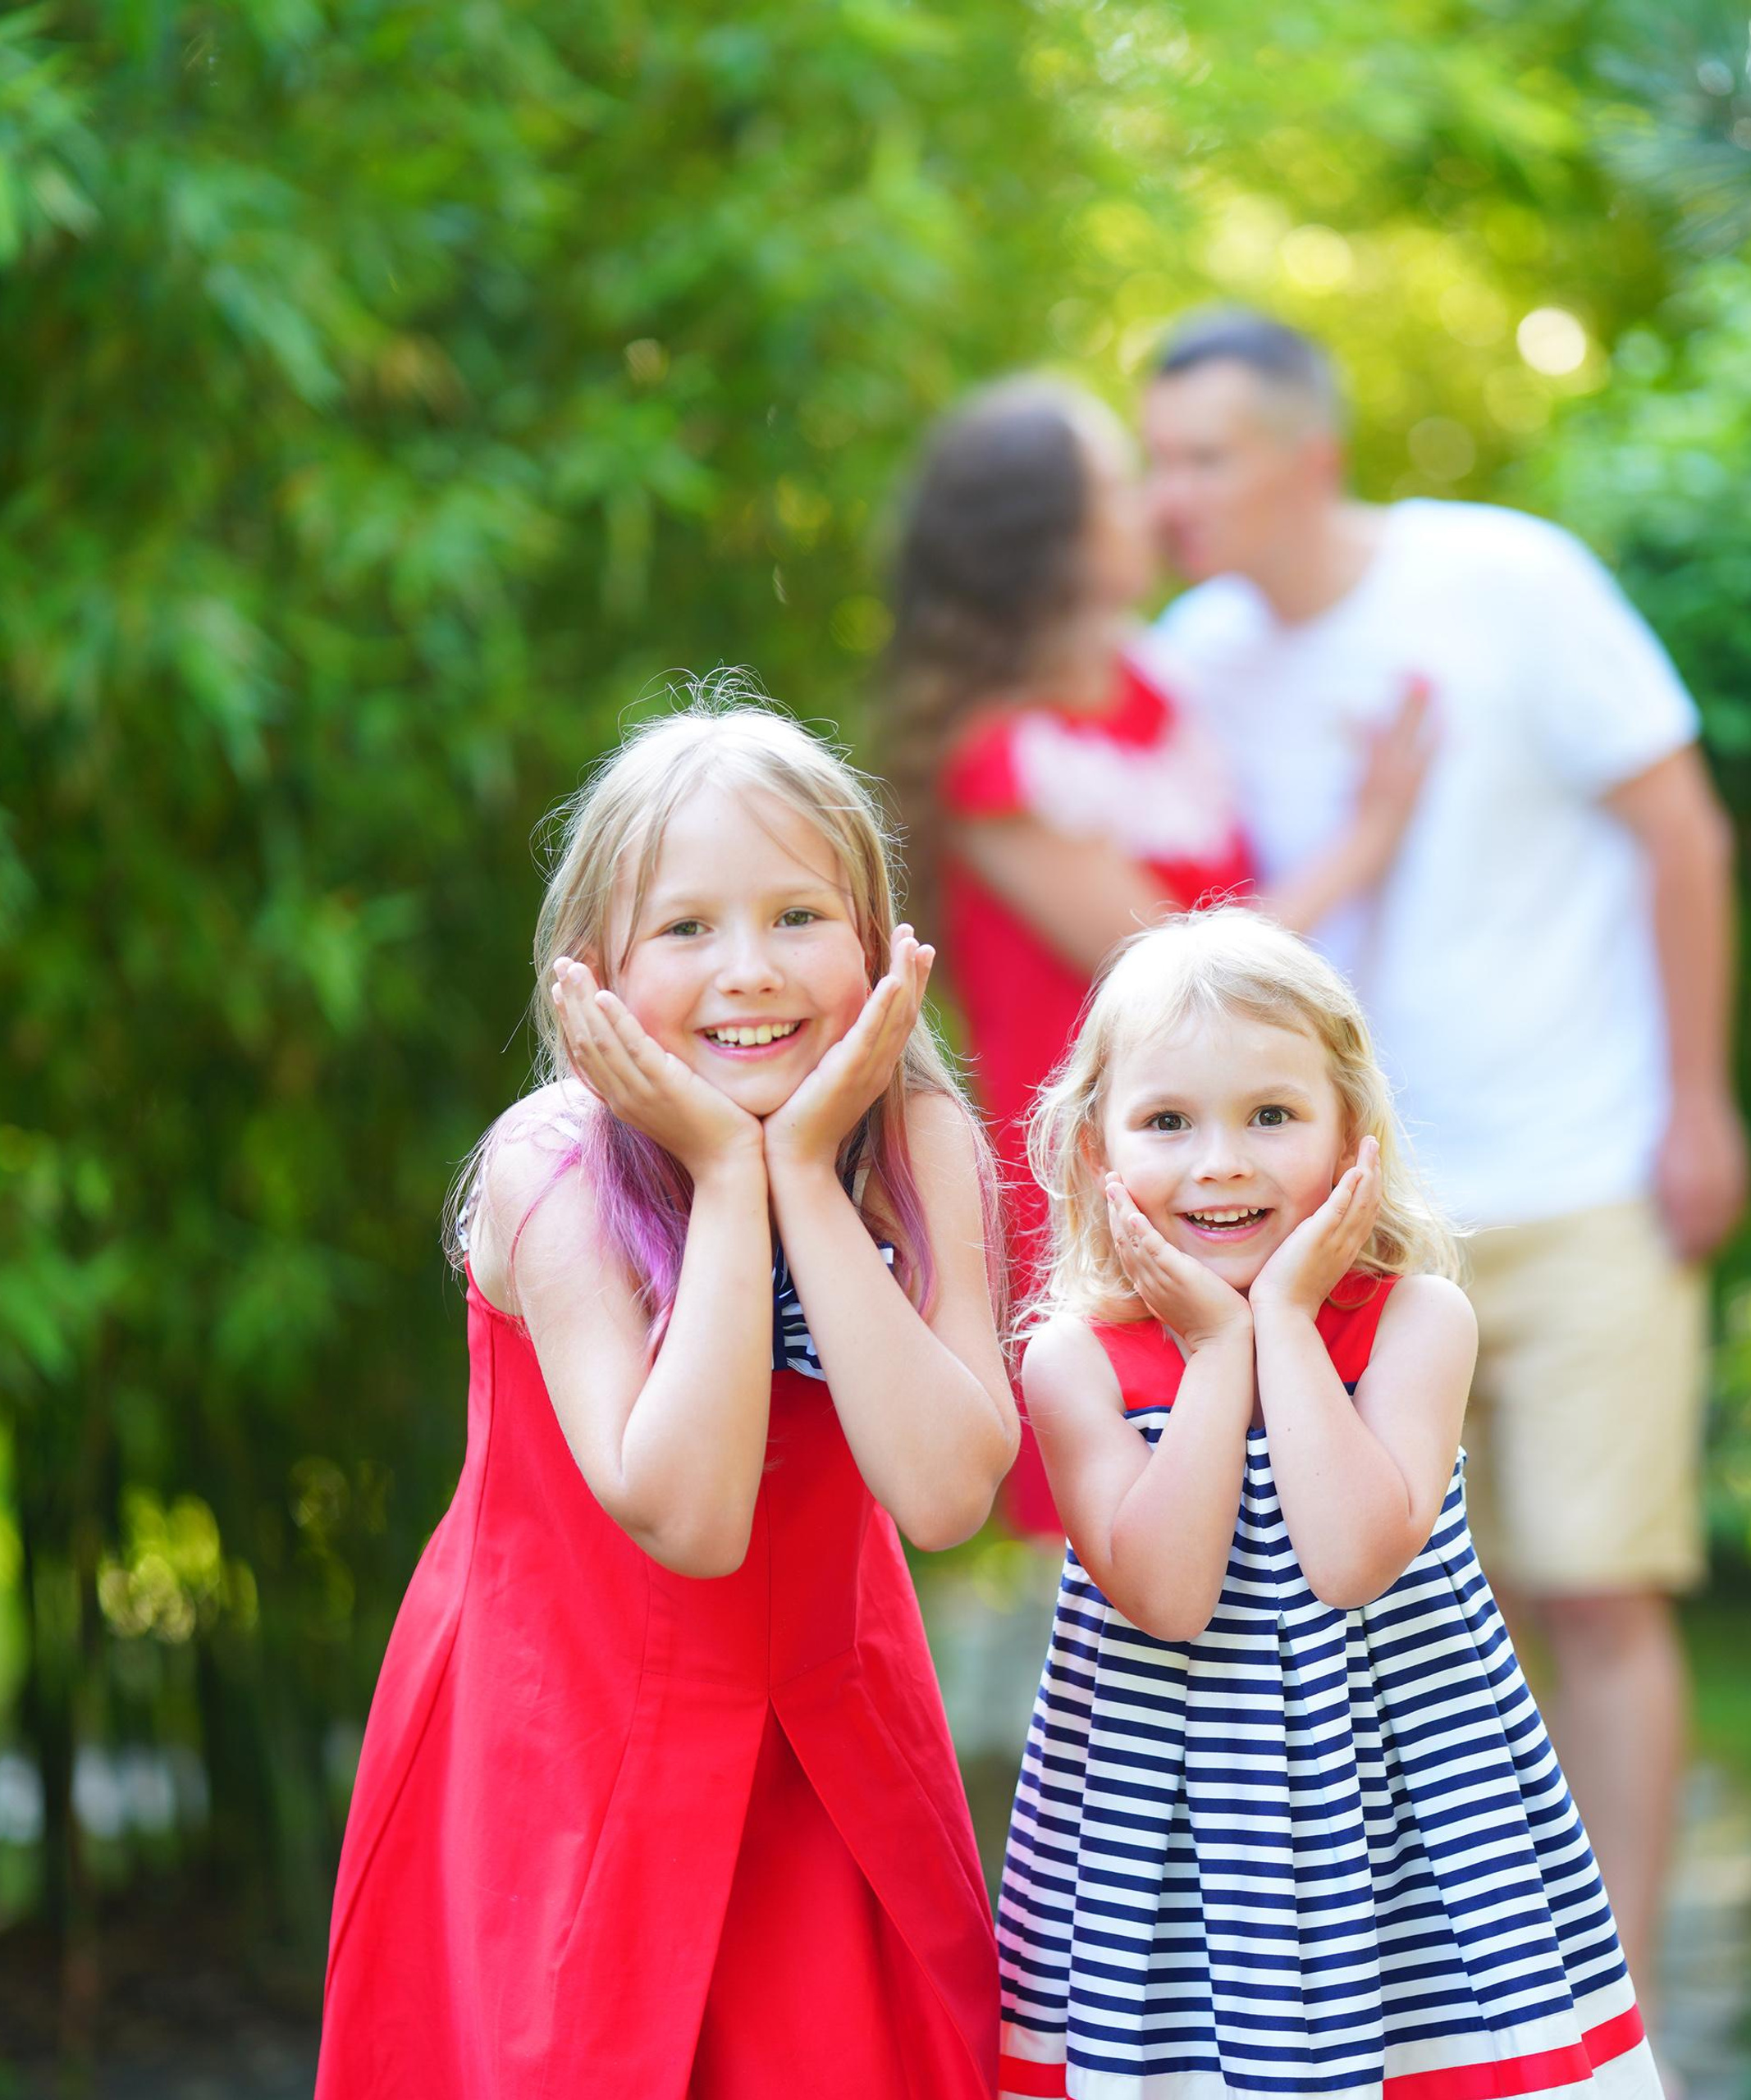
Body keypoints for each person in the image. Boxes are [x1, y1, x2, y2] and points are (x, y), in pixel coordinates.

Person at [1141, 309, 1751, 2017]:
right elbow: (1187, 957)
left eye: (1201, 456)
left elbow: (1678, 831)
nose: (1167, 493)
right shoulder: (1187, 663)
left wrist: (1693, 1100)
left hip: (1579, 1174)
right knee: (1365, 1624)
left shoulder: (1509, 582)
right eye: (1156, 458)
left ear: (1304, 453)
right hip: (1340, 1231)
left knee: (1596, 1588)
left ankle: (1610, 2015)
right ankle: (1433, 1997)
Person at [317, 692, 1018, 2098]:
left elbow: (946, 1495)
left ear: (881, 947)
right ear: (593, 978)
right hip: (573, 1736)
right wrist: (720, 1174)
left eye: (799, 918)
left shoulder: (916, 1140)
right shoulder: (555, 1169)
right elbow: (689, 1513)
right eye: (687, 929)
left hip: (831, 1733)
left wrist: (805, 1175)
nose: (749, 971)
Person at [996, 909, 1665, 2100]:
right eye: (1166, 1123)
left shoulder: (1415, 1322)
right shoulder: (1076, 1362)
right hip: (1184, 1854)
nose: (1222, 1162)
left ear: (1351, 1134)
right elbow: (1166, 1593)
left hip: (1408, 1826)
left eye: (1271, 1115)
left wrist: (1286, 1326)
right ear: (1096, 1153)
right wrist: (1213, 1358)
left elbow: (1352, 1556)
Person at [883, 375, 1435, 1532]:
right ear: (1048, 543)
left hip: (1231, 1151)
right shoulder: (1003, 761)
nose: (1156, 502)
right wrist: (1372, 836)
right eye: (1122, 483)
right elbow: (1187, 972)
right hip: (1126, 1167)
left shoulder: (1156, 684)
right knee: (1143, 1505)